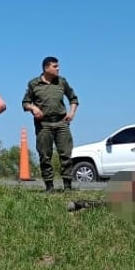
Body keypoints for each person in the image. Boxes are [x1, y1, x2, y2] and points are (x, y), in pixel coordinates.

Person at [22, 56, 79, 193]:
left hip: (61, 122)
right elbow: (25, 103)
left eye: (58, 66)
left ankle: (67, 186)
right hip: (43, 124)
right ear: (46, 68)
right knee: (44, 155)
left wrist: (71, 112)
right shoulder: (34, 84)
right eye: (55, 66)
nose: (58, 68)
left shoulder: (62, 82)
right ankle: (49, 186)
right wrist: (33, 108)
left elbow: (73, 98)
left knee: (66, 154)